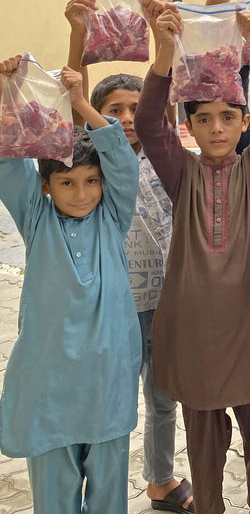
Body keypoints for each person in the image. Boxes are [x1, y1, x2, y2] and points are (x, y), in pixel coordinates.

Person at [137, 3, 250, 514]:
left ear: (244, 123)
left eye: (228, 118)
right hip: (197, 328)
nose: (217, 128)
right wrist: (164, 51)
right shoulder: (182, 173)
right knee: (202, 432)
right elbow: (148, 123)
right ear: (191, 127)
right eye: (204, 119)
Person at [62, 0, 192, 512]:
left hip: (167, 301)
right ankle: (98, 483)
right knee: (110, 401)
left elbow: (168, 90)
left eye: (136, 108)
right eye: (114, 110)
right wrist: (78, 34)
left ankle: (160, 480)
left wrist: (160, 32)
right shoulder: (91, 161)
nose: (127, 117)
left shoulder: (167, 153)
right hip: (112, 306)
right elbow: (72, 107)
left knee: (162, 401)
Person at [0, 57, 141, 514]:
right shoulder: (35, 219)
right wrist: (6, 93)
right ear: (45, 186)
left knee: (109, 493)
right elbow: (7, 162)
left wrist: (80, 102)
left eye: (91, 181)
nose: (82, 194)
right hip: (50, 384)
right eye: (67, 183)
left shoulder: (112, 216)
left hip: (107, 380)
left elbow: (123, 162)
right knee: (54, 495)